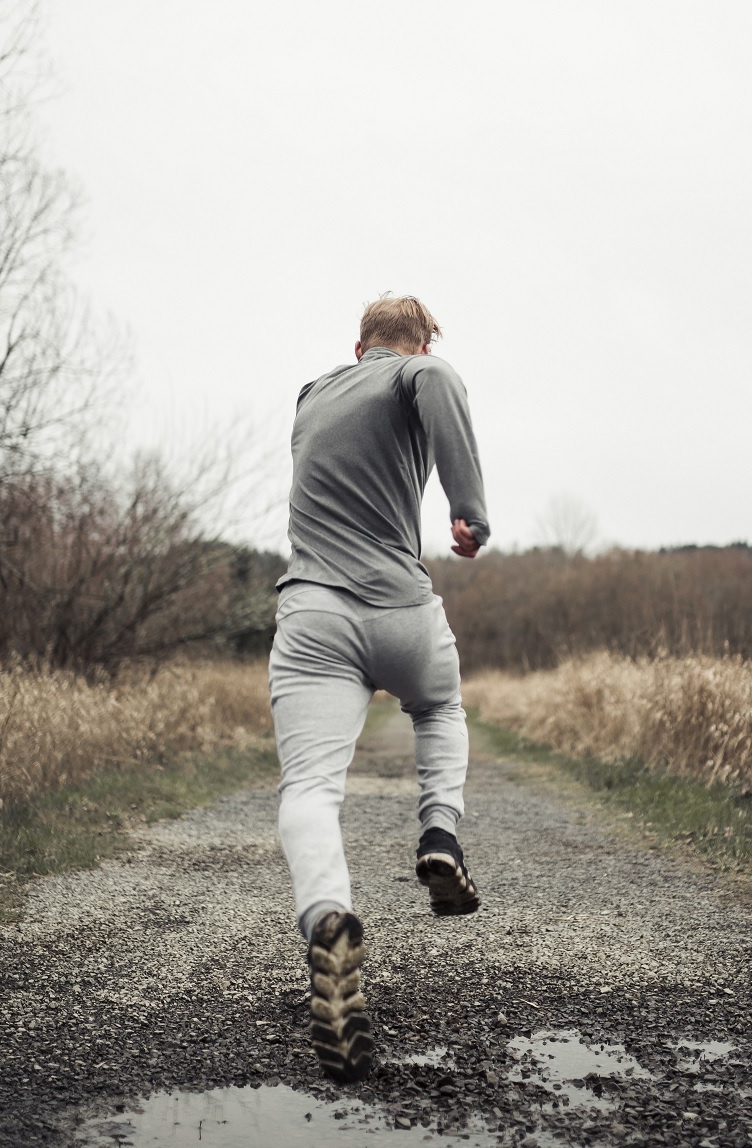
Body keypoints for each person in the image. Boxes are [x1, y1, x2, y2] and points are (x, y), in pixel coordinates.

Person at [269, 295, 490, 1083]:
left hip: (314, 613)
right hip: (401, 609)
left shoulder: (312, 393)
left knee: (309, 789)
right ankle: (439, 834)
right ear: (421, 344)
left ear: (357, 345)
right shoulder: (418, 373)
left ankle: (328, 921)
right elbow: (437, 383)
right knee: (439, 706)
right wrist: (468, 512)